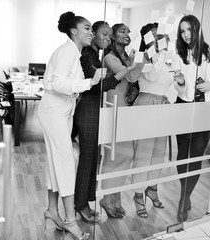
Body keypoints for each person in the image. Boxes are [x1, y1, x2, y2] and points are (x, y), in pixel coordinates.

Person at [37, 11, 104, 240]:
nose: (91, 32)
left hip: (61, 110)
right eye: (87, 28)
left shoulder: (73, 52)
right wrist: (90, 82)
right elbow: (56, 83)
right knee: (65, 161)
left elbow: (63, 83)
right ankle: (69, 220)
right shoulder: (67, 51)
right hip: (54, 111)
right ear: (74, 31)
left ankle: (52, 211)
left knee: (57, 161)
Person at [73, 21, 136, 223]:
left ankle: (86, 203)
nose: (107, 38)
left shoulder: (95, 55)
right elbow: (100, 86)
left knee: (93, 159)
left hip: (93, 108)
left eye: (109, 36)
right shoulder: (87, 55)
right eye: (104, 34)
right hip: (88, 109)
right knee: (88, 159)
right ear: (93, 33)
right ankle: (80, 205)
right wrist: (127, 70)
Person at [172, 14, 210, 222]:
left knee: (195, 156)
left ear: (197, 29)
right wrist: (182, 82)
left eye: (188, 30)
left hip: (205, 110)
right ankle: (185, 194)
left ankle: (184, 198)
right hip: (184, 107)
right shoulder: (179, 54)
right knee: (182, 156)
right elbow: (178, 86)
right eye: (182, 31)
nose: (185, 35)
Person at [130, 22, 181, 218]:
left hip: (163, 106)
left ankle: (152, 189)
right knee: (143, 155)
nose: (161, 39)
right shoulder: (143, 57)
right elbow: (151, 77)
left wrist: (169, 96)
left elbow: (175, 84)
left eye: (162, 35)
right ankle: (137, 194)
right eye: (155, 36)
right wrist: (157, 53)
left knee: (159, 154)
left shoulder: (171, 59)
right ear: (148, 40)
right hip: (146, 104)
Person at [99, 23, 143, 218]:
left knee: (125, 155)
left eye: (128, 31)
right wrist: (142, 57)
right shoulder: (109, 57)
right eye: (122, 31)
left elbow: (134, 74)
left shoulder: (126, 56)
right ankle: (107, 199)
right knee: (115, 156)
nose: (127, 34)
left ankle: (114, 198)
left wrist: (137, 58)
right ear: (113, 35)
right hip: (114, 107)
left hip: (124, 108)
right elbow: (131, 75)